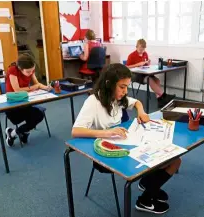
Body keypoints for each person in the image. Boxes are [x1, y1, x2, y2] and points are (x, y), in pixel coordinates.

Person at [72, 63, 181, 214]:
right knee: (170, 162)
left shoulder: (117, 97)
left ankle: (149, 185)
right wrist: (107, 133)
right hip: (106, 154)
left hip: (126, 144)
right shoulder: (93, 101)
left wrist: (141, 111)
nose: (125, 91)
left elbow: (136, 102)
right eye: (122, 87)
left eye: (127, 87)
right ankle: (145, 199)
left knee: (174, 159)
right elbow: (76, 131)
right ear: (109, 84)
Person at [4, 54, 52, 146]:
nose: (31, 73)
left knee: (39, 115)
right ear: (20, 68)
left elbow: (37, 83)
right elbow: (17, 90)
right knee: (29, 118)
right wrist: (34, 87)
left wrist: (46, 87)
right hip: (12, 106)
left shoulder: (30, 69)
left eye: (32, 71)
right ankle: (23, 132)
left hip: (25, 103)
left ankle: (13, 133)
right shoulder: (13, 70)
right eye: (28, 72)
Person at [126, 39, 175, 108]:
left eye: (143, 49)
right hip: (135, 75)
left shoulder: (145, 54)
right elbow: (127, 67)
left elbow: (145, 65)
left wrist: (148, 63)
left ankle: (160, 100)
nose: (141, 50)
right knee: (149, 79)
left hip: (144, 73)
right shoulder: (131, 55)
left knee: (157, 80)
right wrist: (138, 64)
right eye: (140, 48)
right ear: (136, 46)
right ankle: (164, 96)